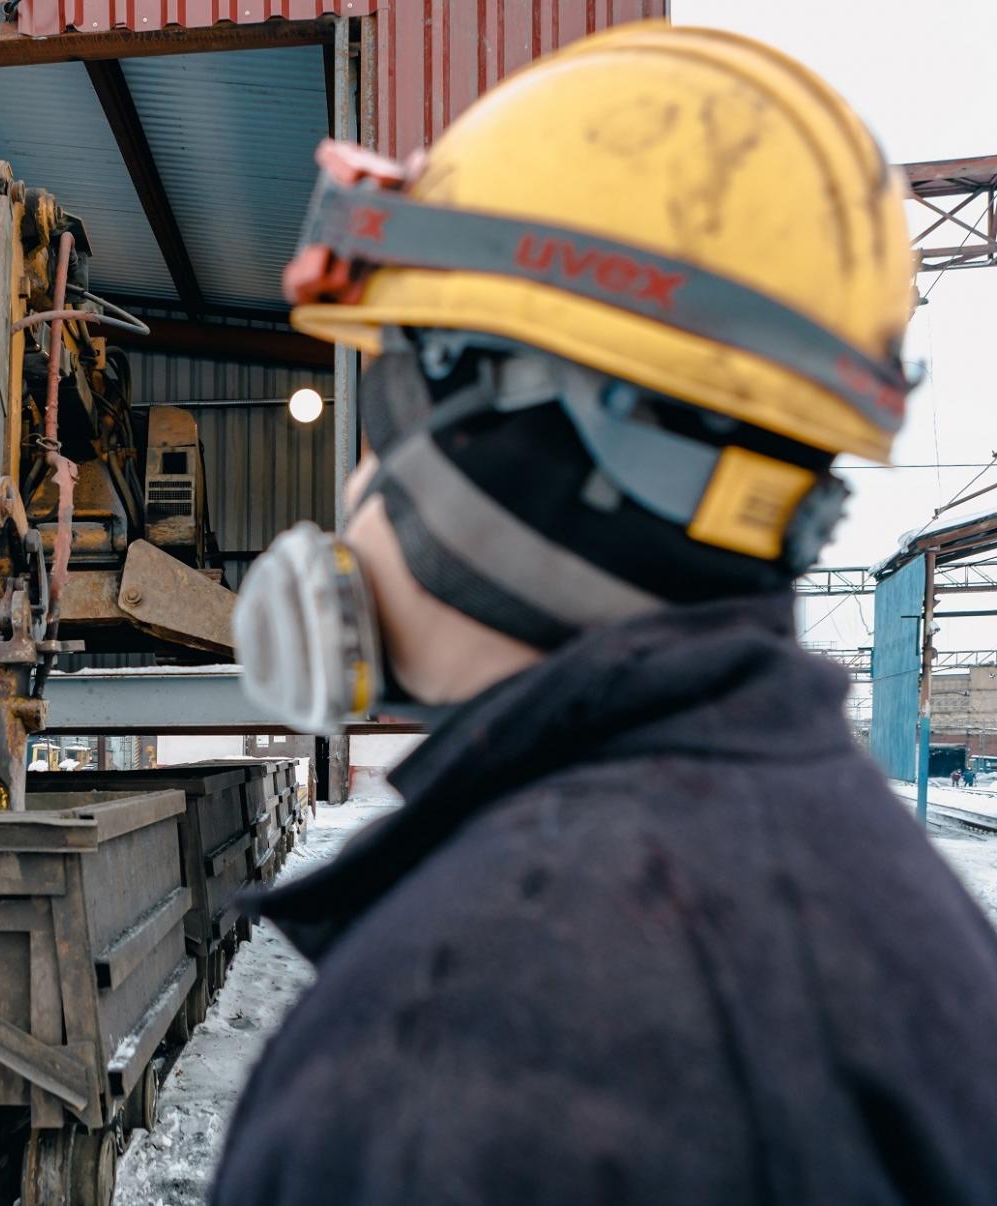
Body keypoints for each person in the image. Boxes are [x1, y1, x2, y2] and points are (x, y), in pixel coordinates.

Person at [221, 21, 997, 1204]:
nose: (361, 494)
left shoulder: (445, 1043)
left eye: (382, 412)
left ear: (517, 433)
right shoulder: (904, 909)